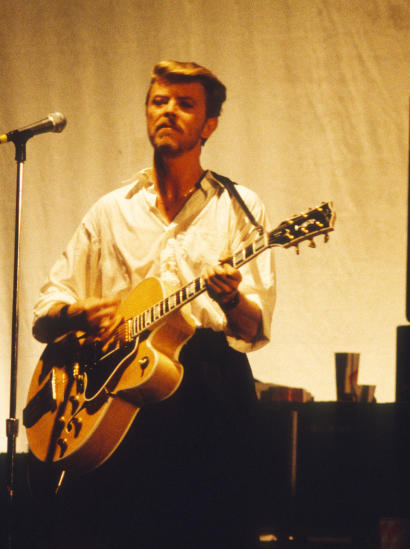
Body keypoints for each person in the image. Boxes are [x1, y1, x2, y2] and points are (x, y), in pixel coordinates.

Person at [30, 60, 276, 548]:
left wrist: (229, 300)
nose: (169, 112)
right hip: (112, 392)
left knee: (210, 528)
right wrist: (78, 313)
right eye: (159, 101)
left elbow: (253, 327)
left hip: (208, 385)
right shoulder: (110, 210)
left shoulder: (239, 206)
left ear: (210, 126)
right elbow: (45, 313)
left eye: (186, 104)